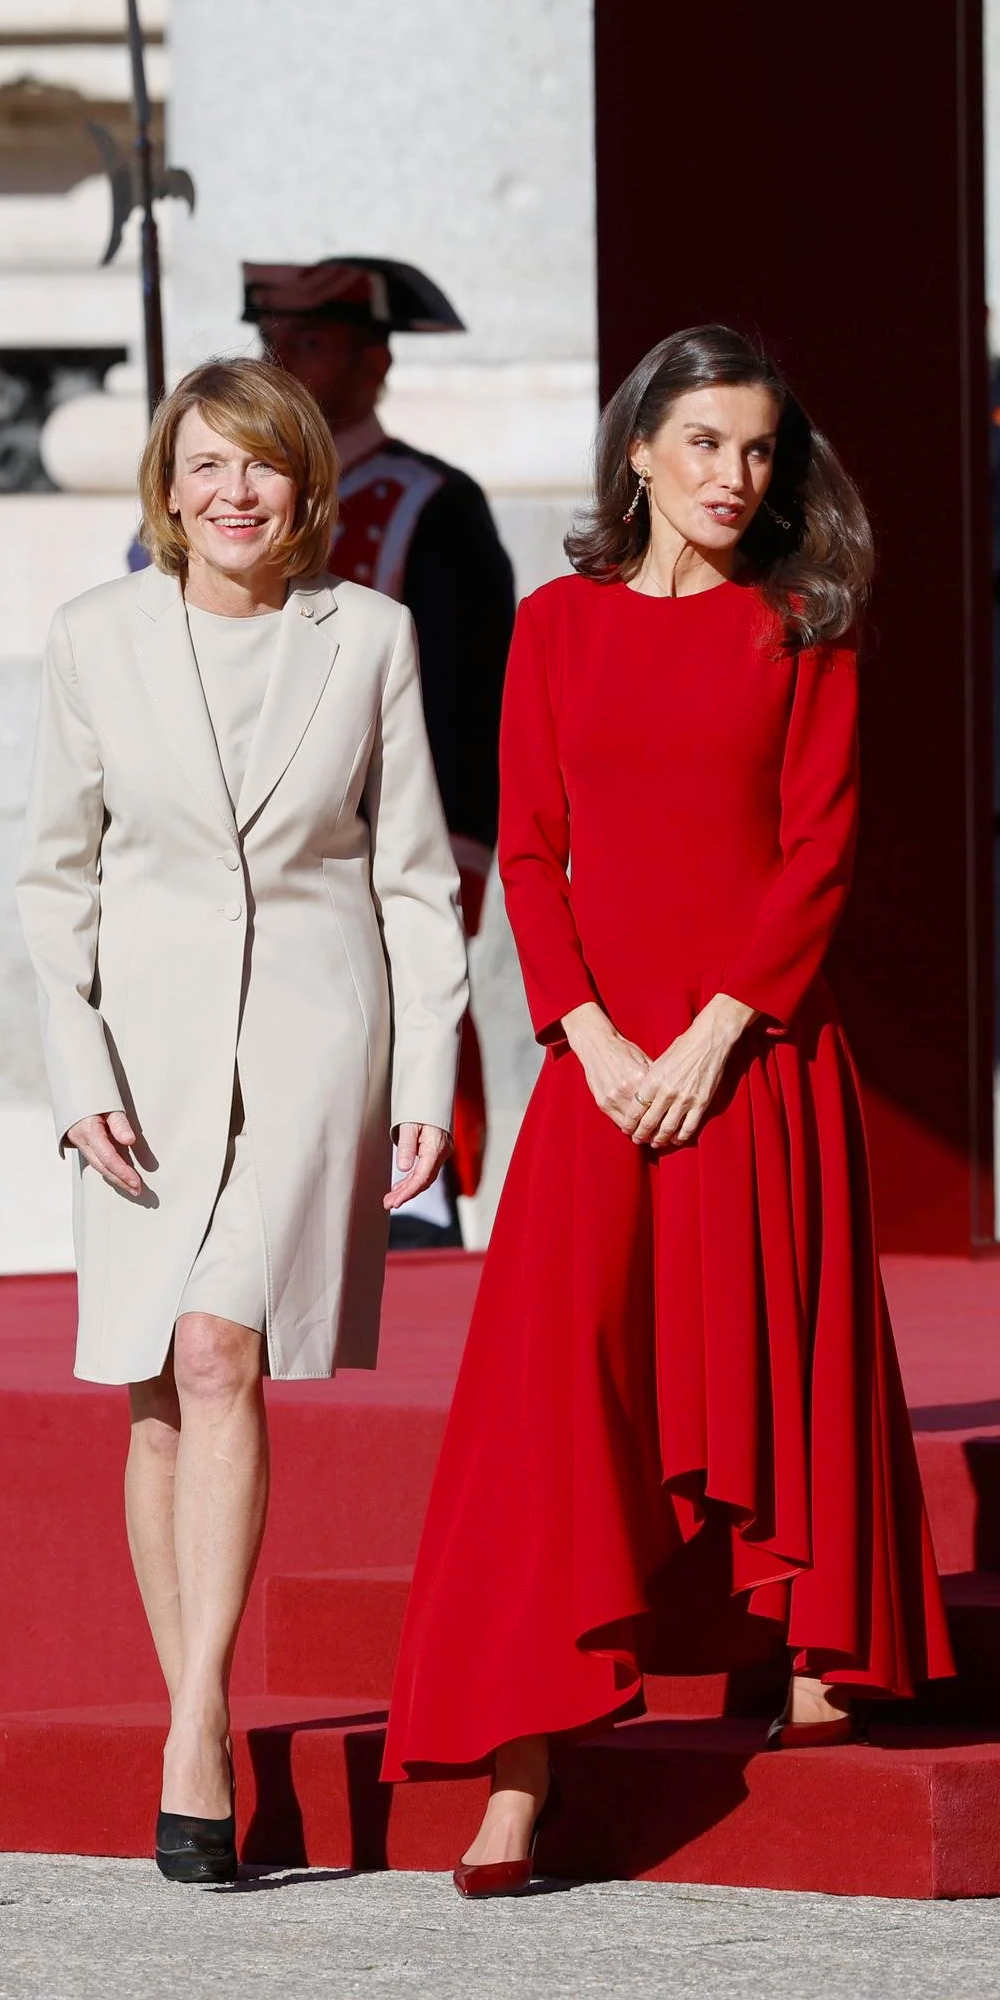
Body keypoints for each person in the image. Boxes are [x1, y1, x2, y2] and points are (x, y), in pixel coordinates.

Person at [381, 325, 955, 1895]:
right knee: (551, 1402)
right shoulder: (558, 623)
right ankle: (517, 1775)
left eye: (759, 450)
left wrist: (713, 1031)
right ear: (638, 450)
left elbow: (814, 854)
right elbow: (537, 850)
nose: (734, 476)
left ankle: (819, 1648)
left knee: (776, 1352)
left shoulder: (803, 623)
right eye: (704, 442)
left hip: (754, 1061)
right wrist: (585, 1031)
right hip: (597, 1072)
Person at [17, 356, 467, 1884]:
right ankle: (192, 1701)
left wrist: (427, 1086)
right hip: (136, 1061)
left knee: (219, 1351)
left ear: (302, 486)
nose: (232, 493)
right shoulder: (90, 639)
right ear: (165, 486)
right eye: (203, 465)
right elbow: (51, 879)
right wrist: (74, 1077)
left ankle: (195, 1731)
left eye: (260, 466)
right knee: (152, 1388)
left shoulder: (371, 641)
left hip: (307, 1046)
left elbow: (413, 877)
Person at [240, 256, 516, 1242]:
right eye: (272, 344)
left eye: (307, 344)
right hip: (244, 850)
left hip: (370, 847)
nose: (283, 363)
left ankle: (417, 1210)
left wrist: (457, 857)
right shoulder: (224, 503)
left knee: (385, 1054)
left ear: (372, 361)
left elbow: (462, 700)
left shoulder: (430, 505)